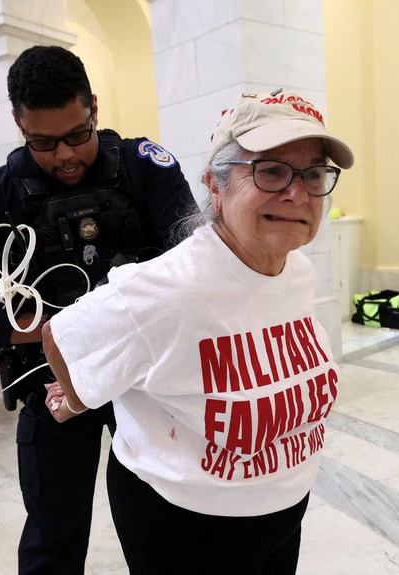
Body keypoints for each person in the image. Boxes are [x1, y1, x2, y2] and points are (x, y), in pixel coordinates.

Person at [40, 89, 354, 574]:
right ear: (216, 185)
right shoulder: (171, 288)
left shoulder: (297, 270)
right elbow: (63, 335)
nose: (298, 193)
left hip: (284, 511)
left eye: (313, 174)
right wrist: (77, 398)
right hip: (185, 526)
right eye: (271, 171)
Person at [0, 45, 195, 574]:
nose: (64, 156)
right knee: (53, 530)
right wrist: (55, 332)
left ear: (95, 110)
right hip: (51, 383)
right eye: (42, 142)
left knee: (164, 522)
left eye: (77, 135)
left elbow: (194, 267)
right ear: (18, 124)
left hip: (146, 380)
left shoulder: (144, 168)